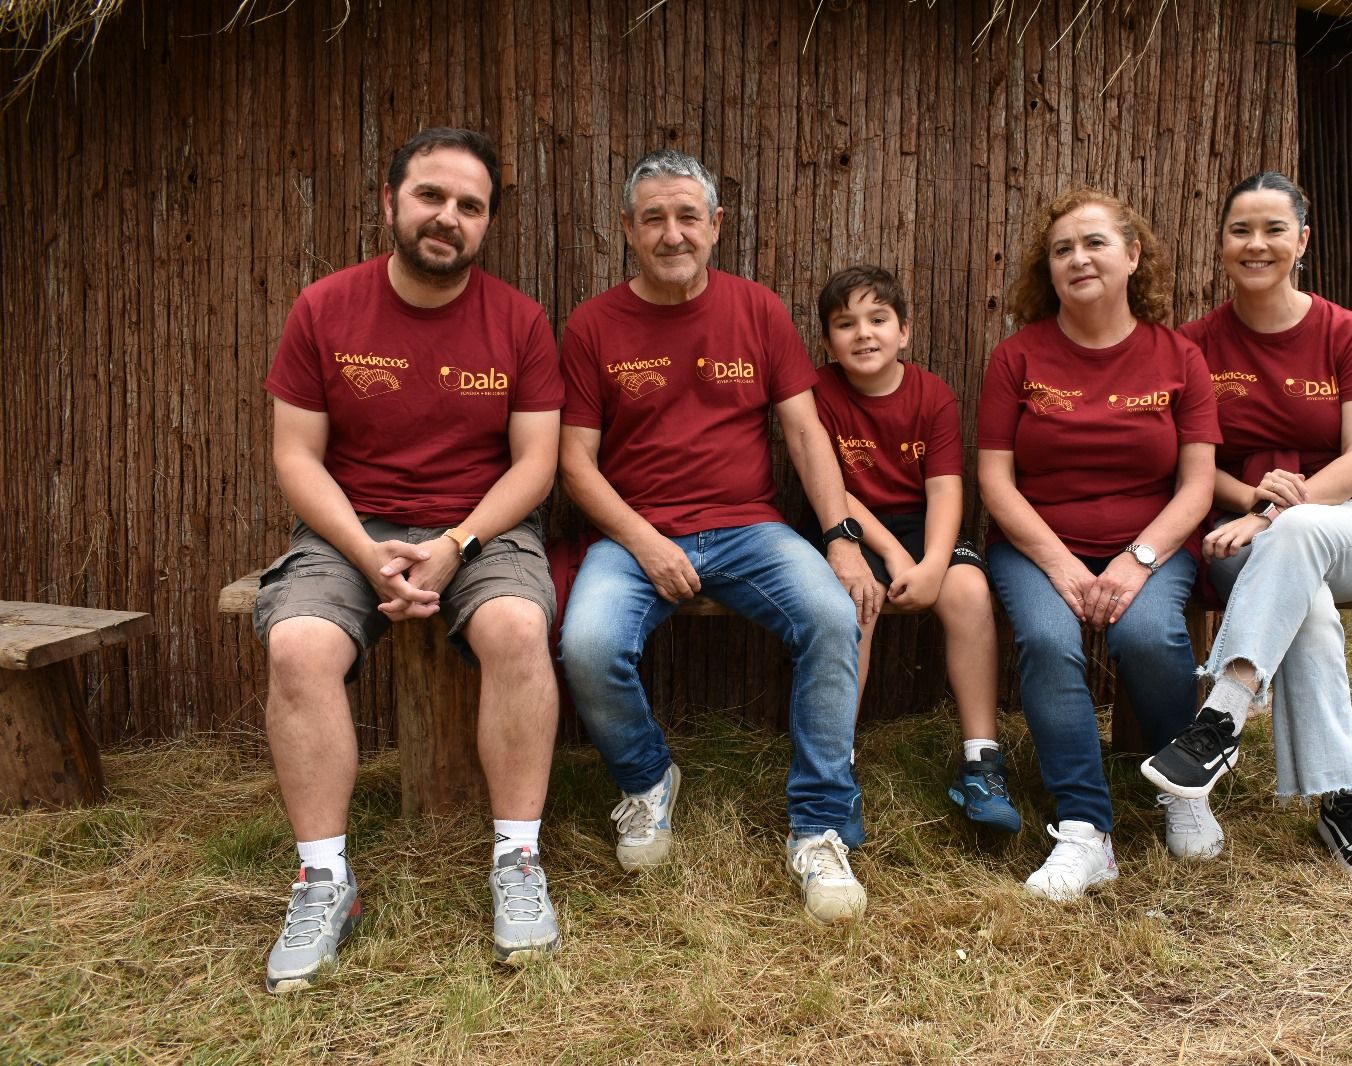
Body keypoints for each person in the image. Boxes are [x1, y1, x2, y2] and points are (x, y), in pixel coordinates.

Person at [253, 128, 566, 990]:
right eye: (431, 195)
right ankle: (324, 878)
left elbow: (535, 464)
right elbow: (295, 458)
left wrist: (454, 544)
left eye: (470, 206)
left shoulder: (518, 320)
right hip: (348, 528)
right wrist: (367, 552)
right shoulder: (325, 308)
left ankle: (518, 861)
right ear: (390, 202)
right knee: (298, 647)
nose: (448, 217)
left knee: (515, 624)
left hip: (481, 527)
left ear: (487, 224)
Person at [558, 149, 878, 927]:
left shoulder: (758, 309)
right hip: (635, 536)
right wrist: (644, 541)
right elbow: (575, 462)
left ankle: (821, 826)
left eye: (688, 217)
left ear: (716, 227)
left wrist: (839, 537)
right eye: (655, 218)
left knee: (835, 616)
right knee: (589, 645)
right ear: (628, 229)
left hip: (750, 530)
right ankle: (645, 781)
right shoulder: (594, 324)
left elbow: (805, 434)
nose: (673, 234)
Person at [1141, 170, 1352, 889]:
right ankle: (1344, 800)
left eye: (1275, 229)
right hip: (1236, 539)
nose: (1257, 243)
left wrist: (1274, 515)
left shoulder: (1347, 332)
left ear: (1302, 241)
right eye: (1241, 229)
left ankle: (1220, 714)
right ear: (1220, 244)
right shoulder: (1193, 345)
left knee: (1301, 535)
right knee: (1301, 597)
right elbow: (1191, 462)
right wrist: (1249, 504)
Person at [976, 186, 1221, 901]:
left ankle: (1183, 790)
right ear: (1046, 271)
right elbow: (995, 482)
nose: (1077, 258)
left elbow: (1198, 487)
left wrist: (1136, 561)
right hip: (1034, 544)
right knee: (1050, 643)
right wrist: (1059, 565)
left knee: (1148, 636)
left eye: (1094, 243)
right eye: (1061, 250)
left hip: (1151, 543)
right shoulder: (1016, 358)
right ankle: (1087, 831)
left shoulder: (1179, 357)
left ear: (1133, 255)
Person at [807, 265, 1021, 834]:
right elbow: (833, 488)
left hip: (928, 527)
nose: (864, 334)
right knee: (856, 598)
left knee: (970, 592)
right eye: (845, 324)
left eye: (878, 319)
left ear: (904, 331)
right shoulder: (819, 394)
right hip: (854, 530)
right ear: (827, 342)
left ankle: (981, 762)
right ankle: (837, 769)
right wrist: (893, 558)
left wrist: (930, 562)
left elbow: (946, 489)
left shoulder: (932, 394)